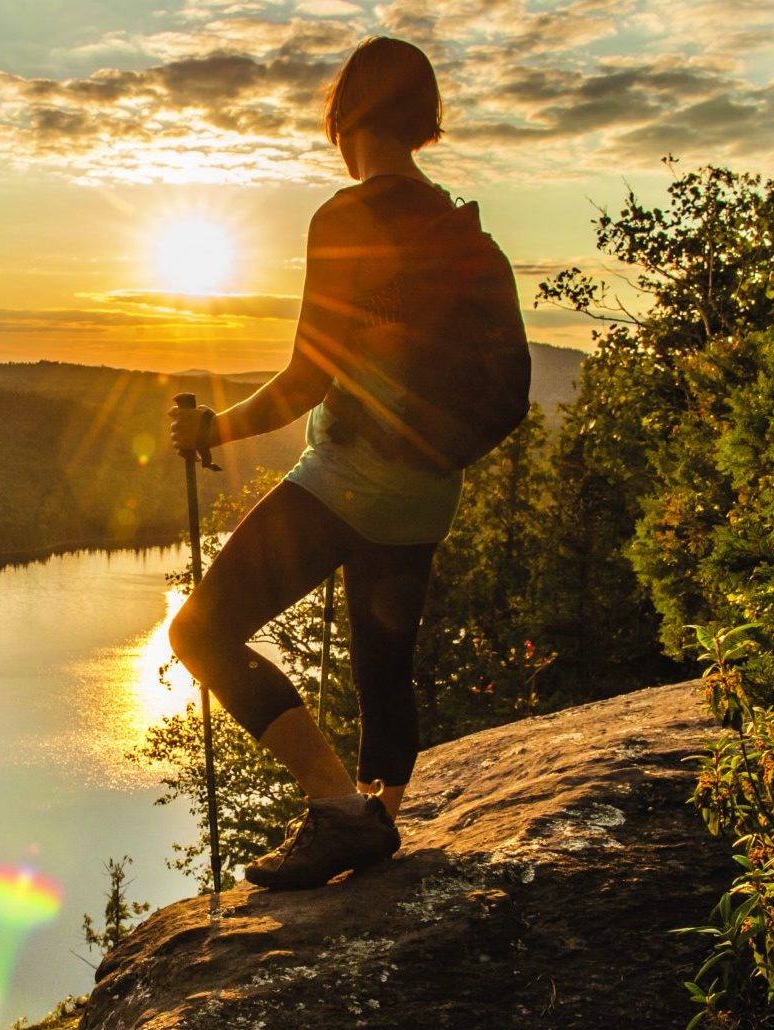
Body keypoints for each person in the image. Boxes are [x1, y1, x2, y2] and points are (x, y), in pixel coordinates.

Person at [168, 37, 527, 891]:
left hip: (350, 476)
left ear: (346, 116)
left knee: (200, 630)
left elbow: (306, 377)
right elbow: (501, 390)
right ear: (423, 120)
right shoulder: (456, 229)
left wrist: (215, 428)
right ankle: (376, 823)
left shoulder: (348, 216)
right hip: (428, 487)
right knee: (382, 664)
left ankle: (336, 810)